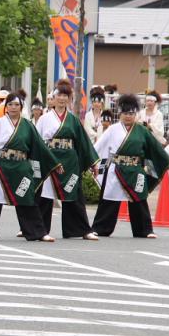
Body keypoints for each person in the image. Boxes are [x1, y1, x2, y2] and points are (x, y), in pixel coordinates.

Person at [0, 92, 60, 242]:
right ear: (6, 107)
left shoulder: (27, 125)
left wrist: (54, 163)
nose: (13, 107)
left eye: (17, 105)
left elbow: (40, 146)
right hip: (1, 167)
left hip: (21, 168)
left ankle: (36, 232)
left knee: (27, 199)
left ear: (21, 107)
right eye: (10, 104)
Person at [91, 94, 169, 238]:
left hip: (135, 170)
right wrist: (91, 161)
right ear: (120, 114)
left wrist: (167, 161)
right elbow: (98, 147)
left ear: (135, 114)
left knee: (139, 200)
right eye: (125, 113)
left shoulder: (142, 131)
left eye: (131, 113)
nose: (128, 116)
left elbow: (154, 149)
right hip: (116, 169)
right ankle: (101, 228)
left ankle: (144, 230)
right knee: (109, 200)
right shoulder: (112, 129)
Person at [35, 79, 99, 240]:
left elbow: (83, 142)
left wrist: (93, 162)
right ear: (54, 98)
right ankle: (39, 229)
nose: (62, 99)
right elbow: (35, 141)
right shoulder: (44, 119)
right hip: (50, 158)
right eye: (59, 95)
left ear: (69, 98)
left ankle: (80, 230)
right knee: (45, 195)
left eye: (65, 95)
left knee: (74, 194)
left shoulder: (73, 120)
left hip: (70, 160)